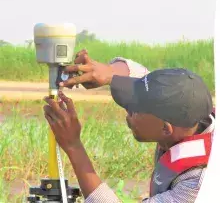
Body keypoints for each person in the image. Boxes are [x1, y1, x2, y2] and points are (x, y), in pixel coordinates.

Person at [43, 49, 215, 203]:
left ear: (165, 128)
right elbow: (141, 74)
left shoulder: (199, 185)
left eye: (136, 108)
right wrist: (108, 73)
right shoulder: (188, 115)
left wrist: (74, 146)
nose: (127, 108)